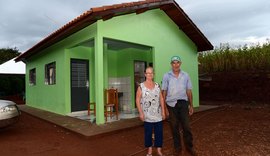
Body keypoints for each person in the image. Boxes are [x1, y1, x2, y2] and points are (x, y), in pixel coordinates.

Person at [162, 56, 197, 156]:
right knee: (174, 127)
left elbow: (189, 91)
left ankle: (189, 147)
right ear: (171, 64)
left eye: (177, 62)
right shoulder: (166, 76)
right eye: (174, 63)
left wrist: (191, 105)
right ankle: (177, 148)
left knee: (186, 126)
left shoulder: (186, 75)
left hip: (183, 103)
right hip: (171, 104)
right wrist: (164, 108)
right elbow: (164, 92)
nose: (176, 65)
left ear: (180, 63)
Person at [136, 66, 166, 156]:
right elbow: (137, 100)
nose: (149, 74)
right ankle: (149, 151)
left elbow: (161, 98)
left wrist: (163, 111)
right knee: (148, 133)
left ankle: (159, 150)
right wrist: (140, 112)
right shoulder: (141, 87)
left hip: (158, 114)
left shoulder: (157, 86)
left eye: (151, 73)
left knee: (159, 133)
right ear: (145, 74)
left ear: (153, 74)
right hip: (147, 115)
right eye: (148, 73)